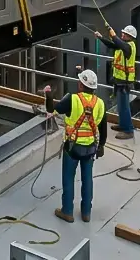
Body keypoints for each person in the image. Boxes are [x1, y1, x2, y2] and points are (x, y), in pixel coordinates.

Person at [43, 69, 107, 224]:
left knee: (68, 179)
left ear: (80, 85)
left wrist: (49, 96)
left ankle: (67, 212)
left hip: (72, 147)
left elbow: (52, 110)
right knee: (87, 180)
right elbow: (103, 127)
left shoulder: (72, 99)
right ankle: (86, 213)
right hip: (90, 148)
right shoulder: (100, 103)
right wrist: (101, 146)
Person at [93, 25, 138, 139]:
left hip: (125, 81)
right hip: (119, 80)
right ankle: (123, 125)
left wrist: (111, 31)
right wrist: (101, 37)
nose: (122, 35)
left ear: (130, 37)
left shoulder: (128, 47)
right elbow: (112, 44)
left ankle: (128, 130)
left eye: (125, 34)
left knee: (124, 106)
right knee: (121, 105)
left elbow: (116, 41)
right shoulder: (122, 46)